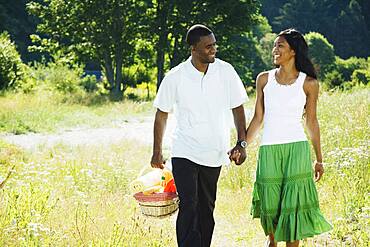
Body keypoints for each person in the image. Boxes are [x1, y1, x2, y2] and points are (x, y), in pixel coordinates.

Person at [150, 24, 248, 247]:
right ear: (193, 48)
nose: (213, 49)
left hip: (214, 151)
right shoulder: (175, 76)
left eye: (214, 45)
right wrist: (157, 151)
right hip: (184, 150)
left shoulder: (226, 71)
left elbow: (238, 107)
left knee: (207, 207)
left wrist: (241, 143)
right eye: (208, 47)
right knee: (189, 204)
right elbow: (161, 114)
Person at [243, 28, 332, 246]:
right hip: (270, 150)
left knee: (294, 214)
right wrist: (242, 144)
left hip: (297, 150)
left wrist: (319, 159)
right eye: (275, 45)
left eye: (279, 45)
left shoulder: (308, 83)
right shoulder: (264, 80)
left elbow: (311, 122)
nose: (274, 49)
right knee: (271, 212)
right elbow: (257, 118)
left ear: (293, 51)